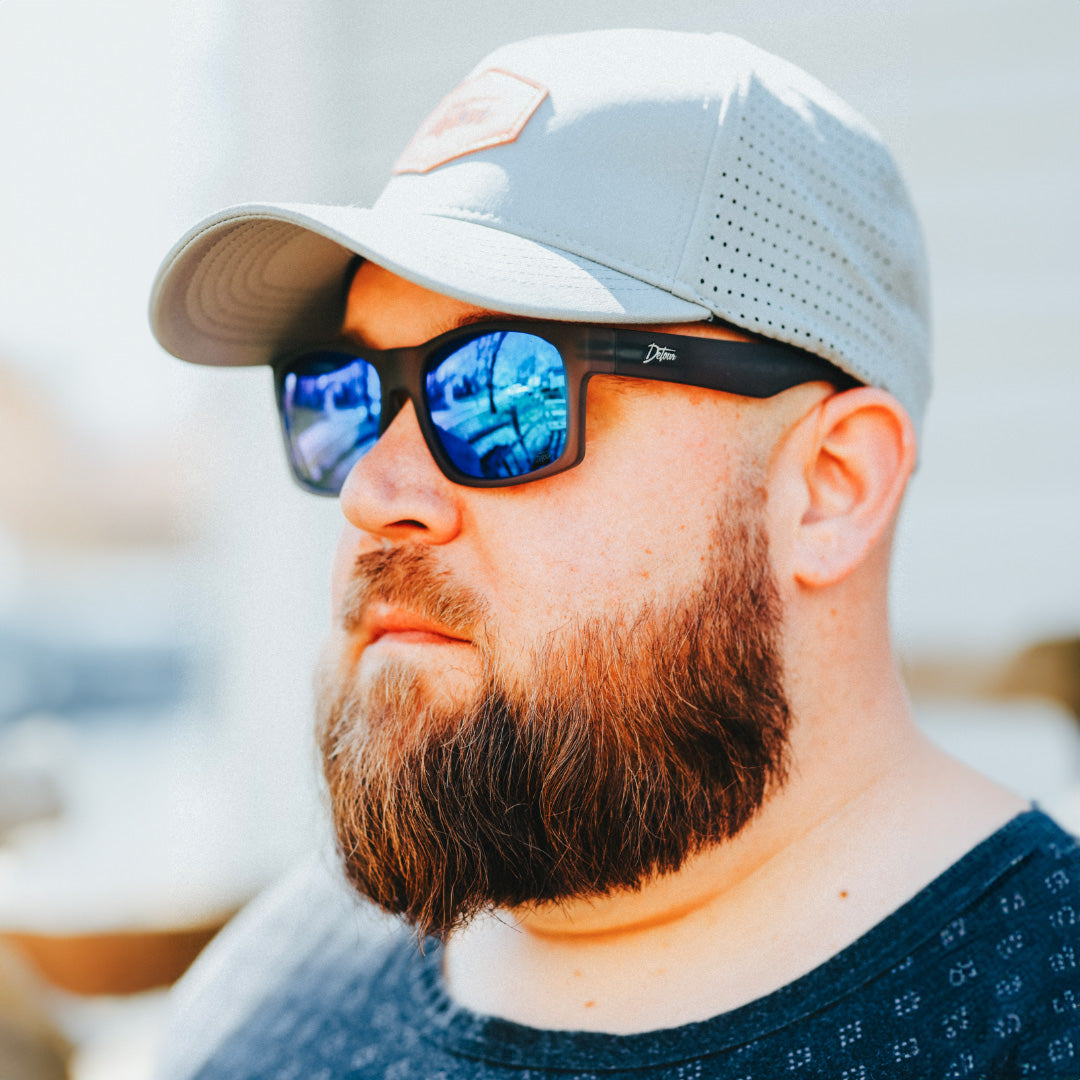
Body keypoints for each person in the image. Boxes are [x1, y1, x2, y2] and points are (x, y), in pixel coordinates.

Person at [149, 28, 1080, 1079]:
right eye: (344, 398)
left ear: (832, 489)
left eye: (503, 384)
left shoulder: (1041, 1014)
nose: (373, 490)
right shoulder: (260, 997)